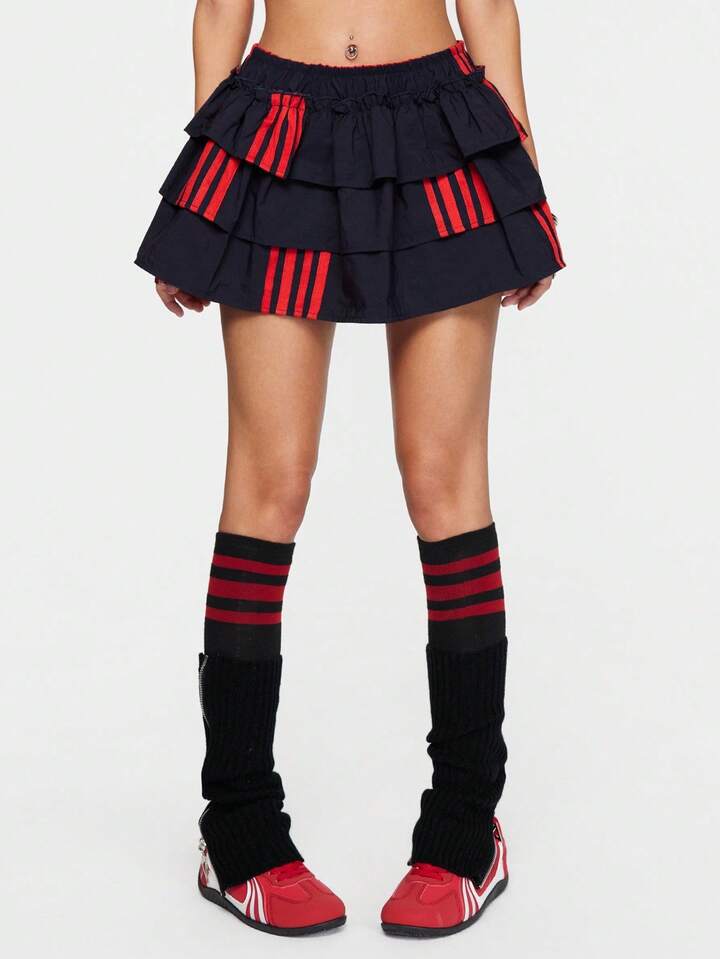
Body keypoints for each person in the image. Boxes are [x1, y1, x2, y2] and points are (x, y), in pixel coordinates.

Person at [136, 0, 564, 938]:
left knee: (443, 481)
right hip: (279, 135)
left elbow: (489, 6)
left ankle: (464, 827)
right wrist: (209, 187)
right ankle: (238, 828)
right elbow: (221, 10)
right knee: (269, 484)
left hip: (441, 133)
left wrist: (522, 171)